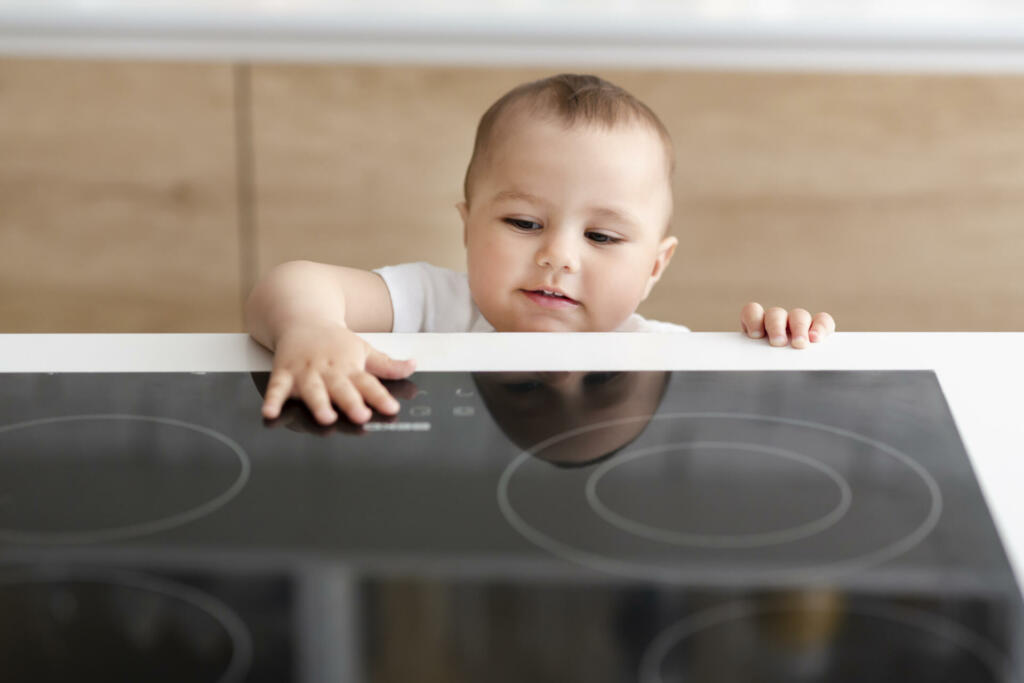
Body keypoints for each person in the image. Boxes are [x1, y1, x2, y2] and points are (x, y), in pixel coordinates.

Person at [245, 74, 836, 426]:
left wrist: (777, 348)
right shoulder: (435, 305)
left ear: (655, 266)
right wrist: (310, 328)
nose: (558, 256)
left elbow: (768, 412)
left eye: (601, 236)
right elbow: (291, 284)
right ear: (468, 226)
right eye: (524, 222)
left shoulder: (660, 357)